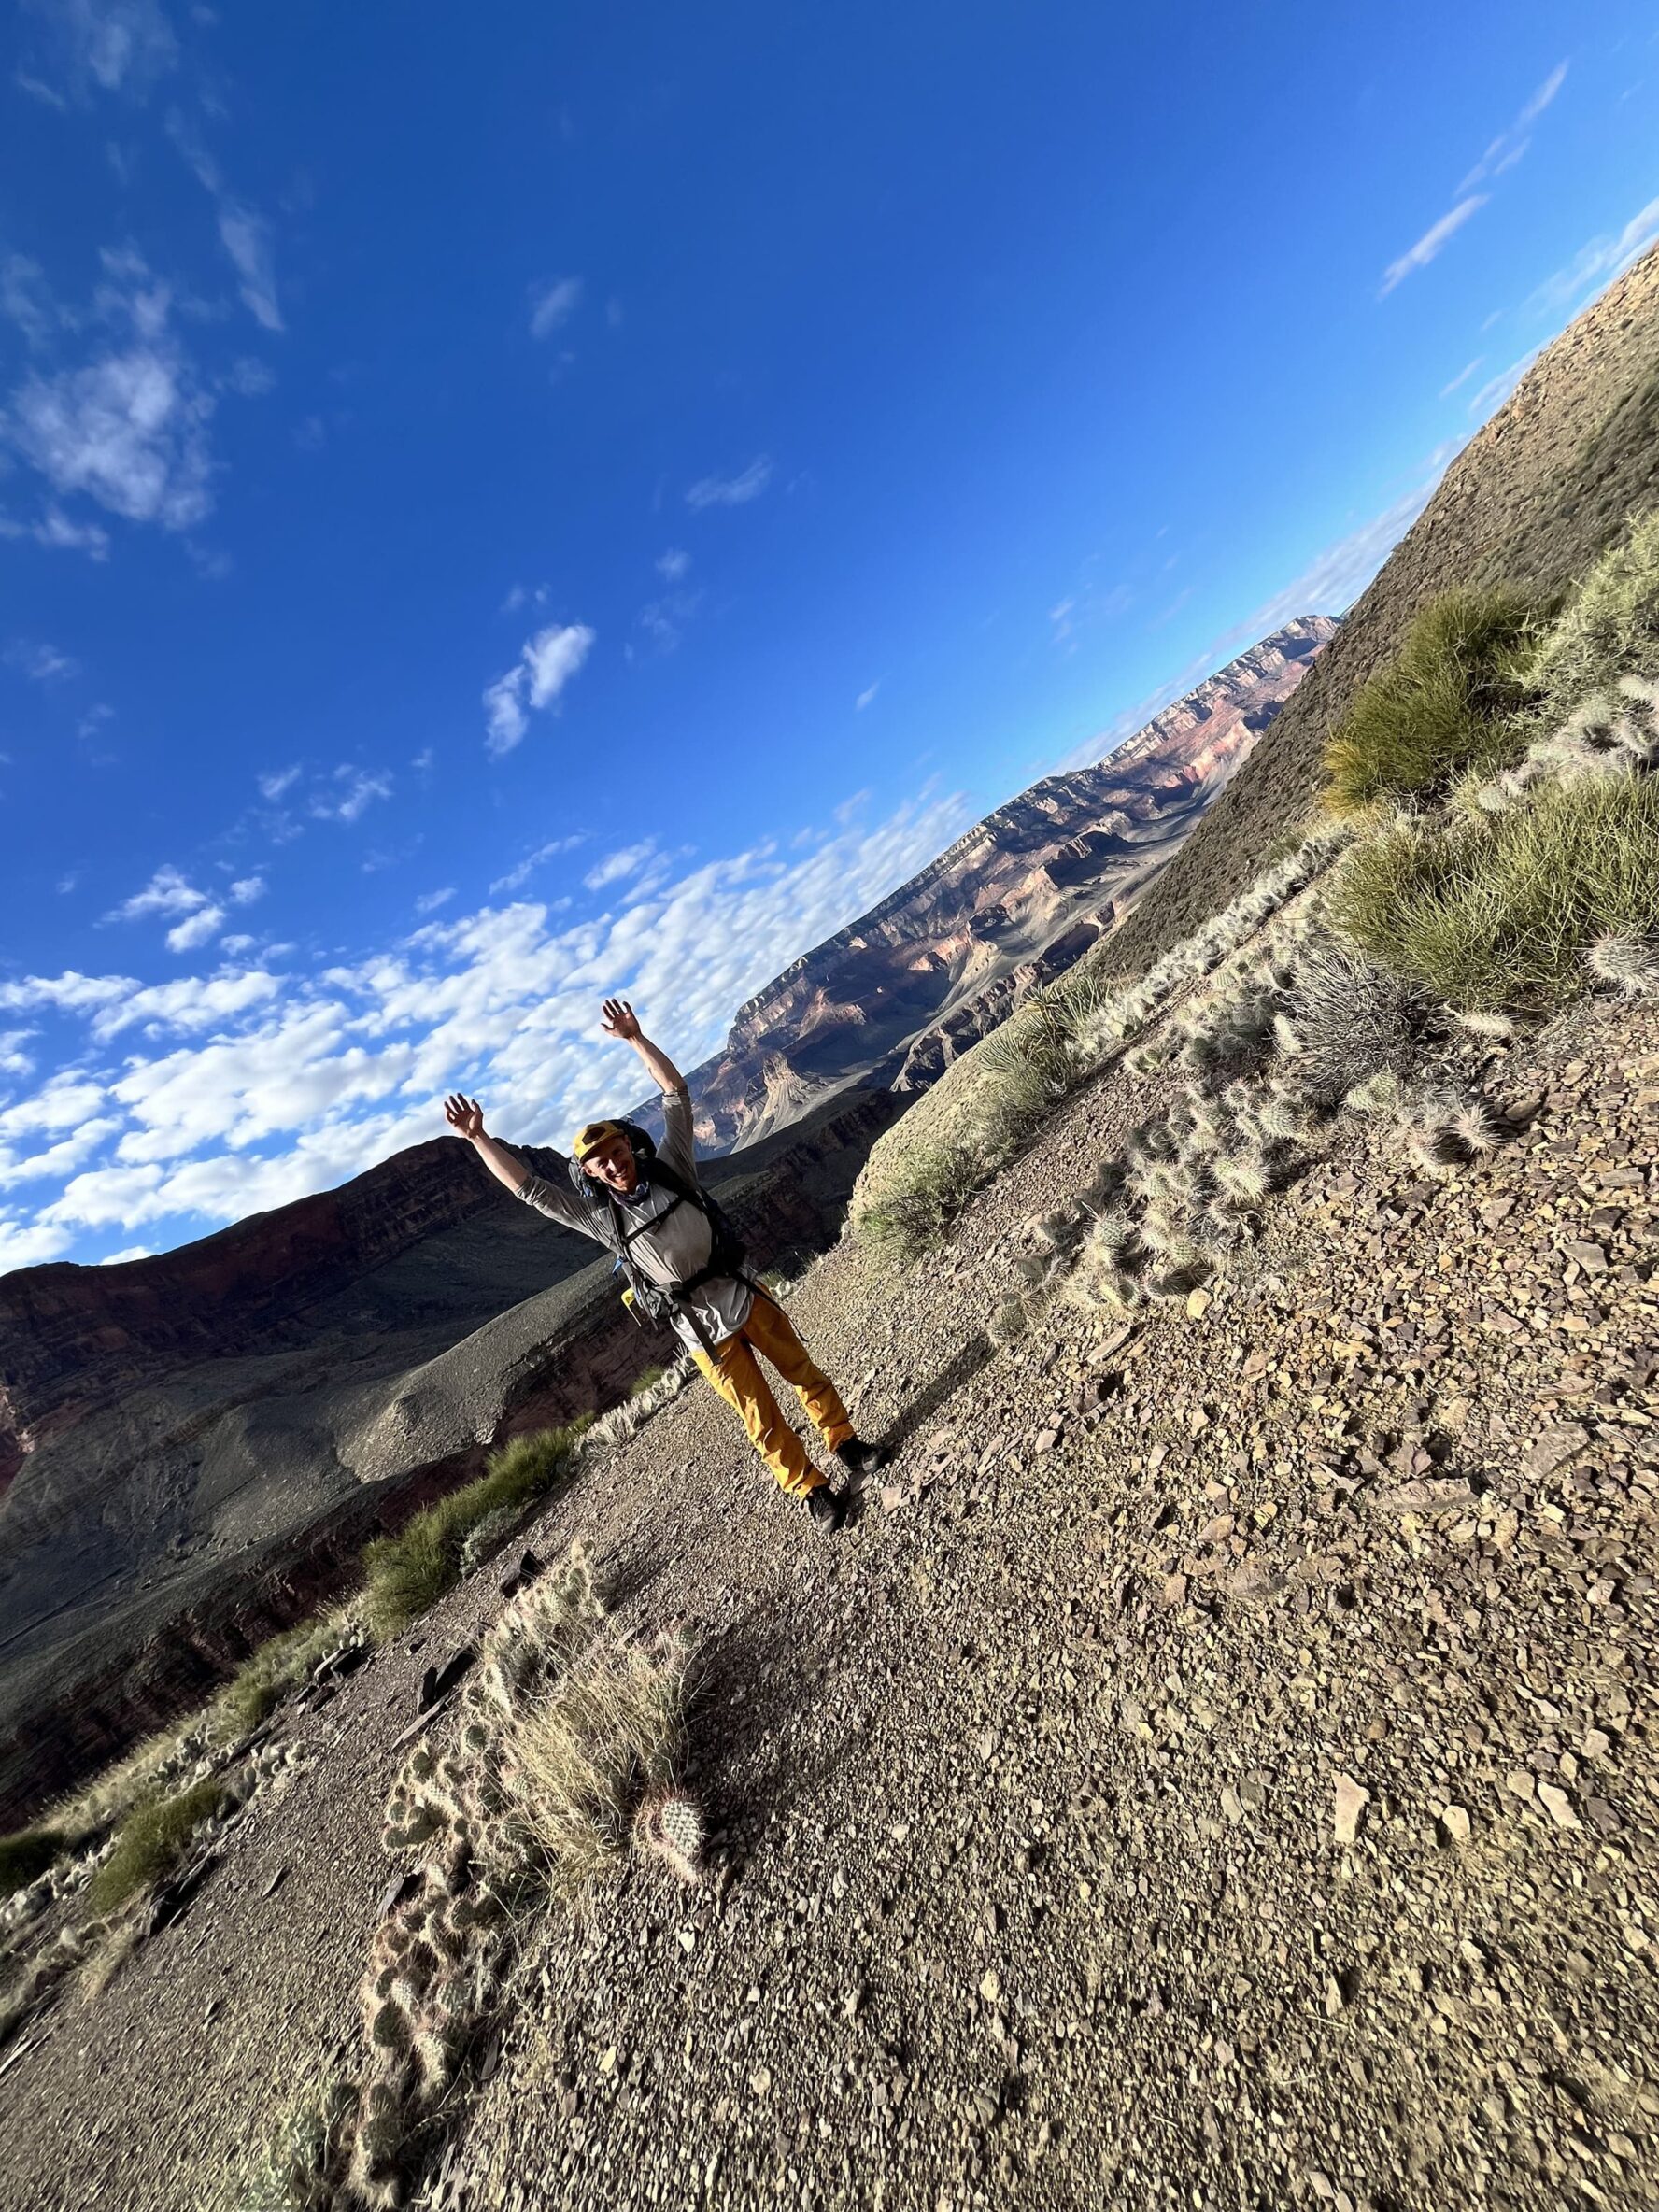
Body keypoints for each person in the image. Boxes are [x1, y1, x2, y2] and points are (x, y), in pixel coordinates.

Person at [443, 997, 886, 1531]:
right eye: (599, 1161)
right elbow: (531, 1191)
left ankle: (846, 1443)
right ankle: (810, 1490)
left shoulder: (674, 1167)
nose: (614, 1162)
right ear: (591, 1174)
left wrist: (635, 1039)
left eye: (617, 1149)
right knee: (761, 1420)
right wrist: (479, 1139)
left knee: (803, 1373)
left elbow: (676, 1096)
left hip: (742, 1291)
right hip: (702, 1332)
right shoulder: (602, 1220)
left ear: (630, 1145)